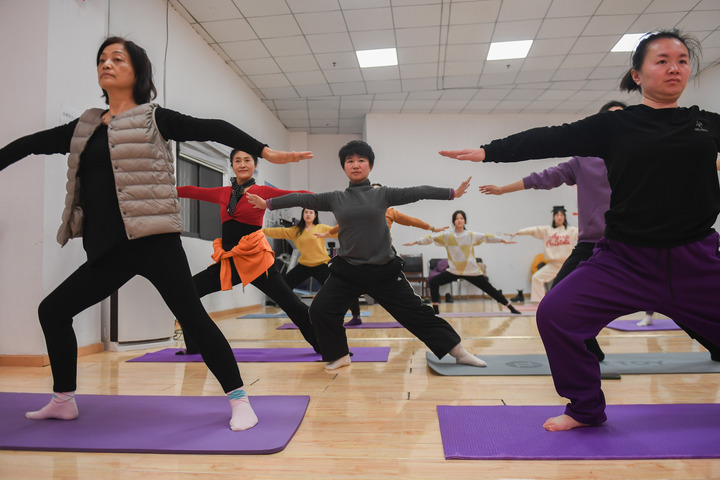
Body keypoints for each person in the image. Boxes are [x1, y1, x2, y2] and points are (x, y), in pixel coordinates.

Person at [0, 36, 311, 431]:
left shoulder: (154, 118)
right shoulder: (86, 126)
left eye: (118, 58)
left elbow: (213, 127)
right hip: (109, 248)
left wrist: (264, 151)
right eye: (102, 59)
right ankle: (63, 400)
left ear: (138, 71)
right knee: (53, 310)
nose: (106, 64)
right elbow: (32, 144)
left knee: (192, 316)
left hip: (155, 243)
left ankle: (239, 400)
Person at [440, 29, 720, 431]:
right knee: (556, 314)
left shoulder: (705, 124)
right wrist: (490, 151)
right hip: (626, 260)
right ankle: (585, 408)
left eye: (682, 61)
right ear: (637, 74)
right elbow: (552, 138)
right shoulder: (615, 126)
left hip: (696, 260)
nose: (674, 68)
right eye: (662, 60)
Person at [479, 100, 720, 361]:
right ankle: (590, 355)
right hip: (592, 244)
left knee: (679, 302)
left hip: (636, 245)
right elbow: (543, 177)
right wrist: (503, 189)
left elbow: (694, 163)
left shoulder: (644, 152)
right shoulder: (582, 162)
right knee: (559, 302)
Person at [247, 140, 487, 370]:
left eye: (361, 160)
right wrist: (268, 204)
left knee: (416, 312)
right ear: (344, 167)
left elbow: (417, 191)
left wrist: (452, 193)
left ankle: (459, 352)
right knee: (320, 309)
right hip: (347, 272)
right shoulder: (336, 198)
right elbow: (303, 198)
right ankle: (339, 355)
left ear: (370, 166)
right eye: (349, 161)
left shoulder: (381, 195)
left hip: (383, 270)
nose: (355, 164)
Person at [176, 149, 321, 355]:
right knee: (187, 294)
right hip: (231, 262)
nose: (242, 164)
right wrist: (165, 190)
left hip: (257, 261)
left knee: (292, 305)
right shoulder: (224, 193)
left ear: (255, 165)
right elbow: (193, 191)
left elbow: (299, 195)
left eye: (247, 160)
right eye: (237, 160)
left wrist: (332, 200)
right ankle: (195, 346)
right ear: (232, 165)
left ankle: (326, 345)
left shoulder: (263, 192)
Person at [318, 183, 450, 324]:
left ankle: (410, 313)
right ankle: (356, 316)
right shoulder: (360, 211)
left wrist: (431, 228)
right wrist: (328, 233)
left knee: (396, 289)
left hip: (385, 254)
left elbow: (410, 221)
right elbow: (343, 225)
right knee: (350, 284)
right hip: (360, 254)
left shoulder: (390, 211)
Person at [404, 210, 520, 315]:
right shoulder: (447, 236)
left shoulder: (470, 235)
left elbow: (486, 237)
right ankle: (436, 310)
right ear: (453, 221)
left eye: (461, 218)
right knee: (434, 281)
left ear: (464, 221)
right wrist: (417, 242)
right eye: (456, 218)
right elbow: (431, 238)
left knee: (490, 289)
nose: (459, 220)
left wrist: (502, 240)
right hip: (454, 271)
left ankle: (510, 307)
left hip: (471, 270)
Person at [262, 207, 362, 326]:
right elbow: (278, 232)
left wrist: (353, 228)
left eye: (311, 212)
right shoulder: (296, 231)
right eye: (306, 212)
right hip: (304, 265)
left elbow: (339, 233)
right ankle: (291, 309)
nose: (308, 214)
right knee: (283, 286)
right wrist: (260, 231)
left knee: (342, 286)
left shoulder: (321, 228)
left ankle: (356, 316)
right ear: (302, 214)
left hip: (321, 265)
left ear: (315, 215)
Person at [506, 206, 578, 303]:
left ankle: (574, 302)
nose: (559, 217)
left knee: (576, 281)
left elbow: (586, 234)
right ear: (553, 217)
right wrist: (518, 233)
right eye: (557, 215)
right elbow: (533, 230)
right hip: (553, 265)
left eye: (561, 215)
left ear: (564, 217)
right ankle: (539, 303)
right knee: (536, 278)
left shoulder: (572, 230)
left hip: (567, 264)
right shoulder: (547, 230)